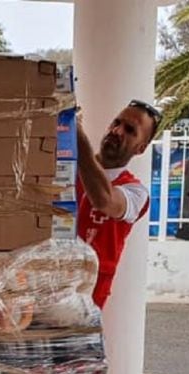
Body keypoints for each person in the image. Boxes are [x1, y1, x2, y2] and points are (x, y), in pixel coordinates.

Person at [75, 100, 161, 308]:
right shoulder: (67, 167)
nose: (117, 131)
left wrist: (76, 135)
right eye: (116, 123)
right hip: (46, 276)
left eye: (130, 130)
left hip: (88, 294)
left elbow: (103, 199)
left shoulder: (135, 193)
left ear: (140, 148)